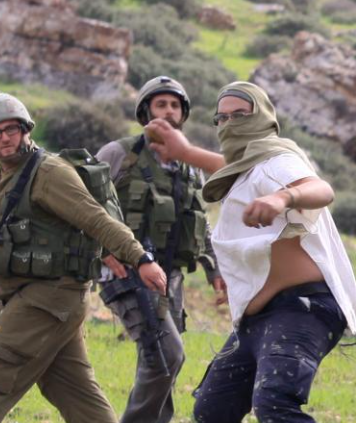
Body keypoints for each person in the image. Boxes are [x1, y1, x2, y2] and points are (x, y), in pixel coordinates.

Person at [145, 81, 356, 422]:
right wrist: (185, 153)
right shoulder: (250, 167)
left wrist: (282, 197)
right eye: (222, 118)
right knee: (212, 411)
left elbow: (321, 189)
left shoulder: (280, 159)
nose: (230, 124)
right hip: (256, 320)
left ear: (262, 116)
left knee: (274, 404)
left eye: (240, 115)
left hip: (302, 309)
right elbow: (233, 166)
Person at [0, 92, 166, 423]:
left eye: (11, 129)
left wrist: (140, 258)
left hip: (50, 297)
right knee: (74, 393)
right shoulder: (1, 178)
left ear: (26, 130)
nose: (4, 138)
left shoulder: (48, 173)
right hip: (38, 299)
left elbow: (95, 218)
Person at [95, 76, 221, 423]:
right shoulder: (118, 153)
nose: (168, 111)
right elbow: (82, 205)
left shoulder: (189, 165)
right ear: (145, 111)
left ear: (183, 114)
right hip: (125, 272)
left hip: (171, 277)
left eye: (175, 105)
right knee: (166, 356)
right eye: (160, 104)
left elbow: (200, 220)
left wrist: (214, 267)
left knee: (163, 364)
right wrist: (100, 249)